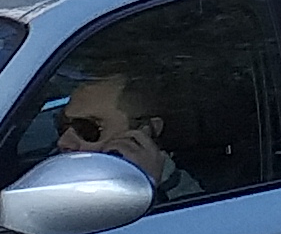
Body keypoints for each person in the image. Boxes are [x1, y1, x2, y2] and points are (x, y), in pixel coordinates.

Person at [57, 75, 202, 201]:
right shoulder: (53, 171)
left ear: (147, 130)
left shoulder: (190, 203)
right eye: (62, 123)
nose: (63, 141)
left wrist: (146, 188)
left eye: (86, 128)